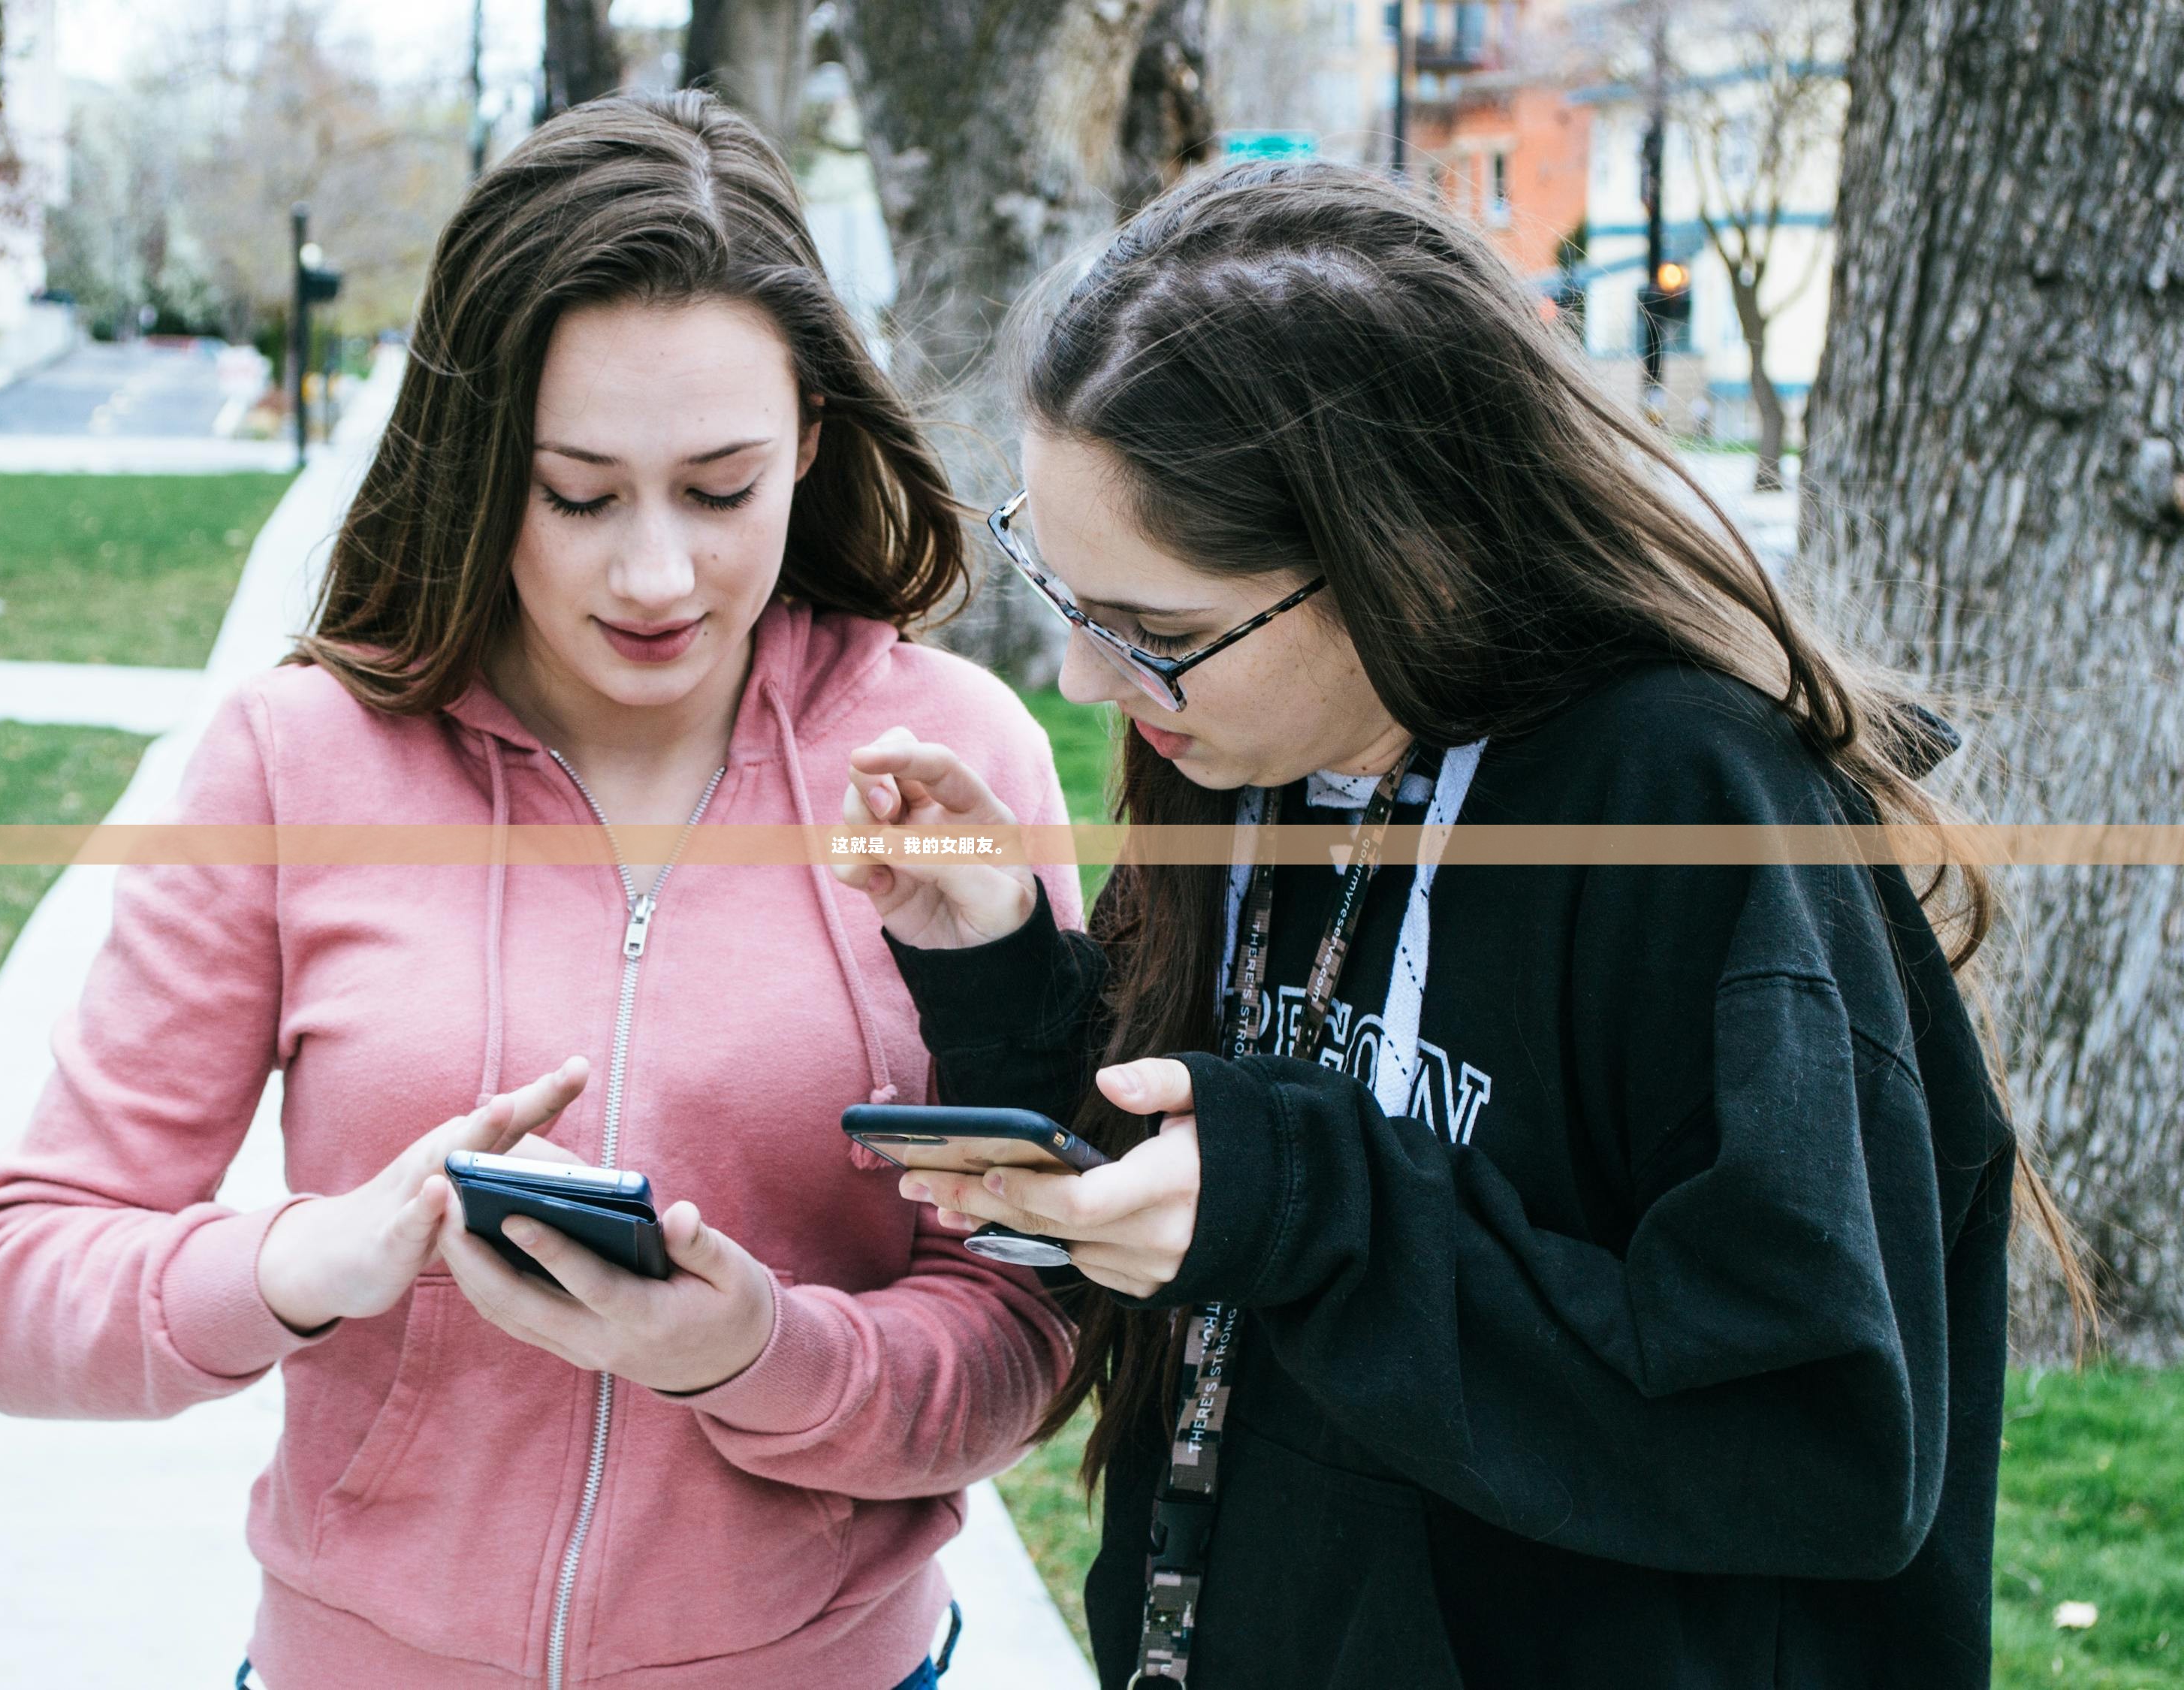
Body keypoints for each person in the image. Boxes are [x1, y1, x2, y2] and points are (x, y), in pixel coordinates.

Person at [837, 161, 2088, 1690]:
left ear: (1392, 550)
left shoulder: (1688, 807)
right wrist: (1000, 970)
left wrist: (1311, 1201)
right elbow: (1194, 1176)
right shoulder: (1246, 750)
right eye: (1065, 600)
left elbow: (1815, 1433)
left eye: (1152, 634)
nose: (1094, 686)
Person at [0, 92, 1080, 1690]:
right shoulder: (294, 760)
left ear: (811, 446)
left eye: (719, 487)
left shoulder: (952, 763)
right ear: (483, 463)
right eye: (576, 493)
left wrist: (758, 1355)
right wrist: (302, 1265)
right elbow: (17, 1292)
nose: (652, 577)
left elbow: (1030, 1324)